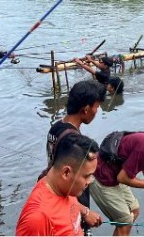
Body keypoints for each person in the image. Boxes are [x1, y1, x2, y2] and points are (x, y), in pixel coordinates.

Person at [44, 80, 107, 234]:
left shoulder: (57, 127)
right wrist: (85, 212)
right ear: (86, 109)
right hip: (73, 210)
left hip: (65, 206)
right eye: (96, 107)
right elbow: (65, 181)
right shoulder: (72, 141)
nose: (96, 111)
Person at [16, 133, 103, 236]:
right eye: (86, 176)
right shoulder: (37, 218)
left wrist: (85, 212)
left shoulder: (66, 188)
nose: (90, 181)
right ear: (66, 172)